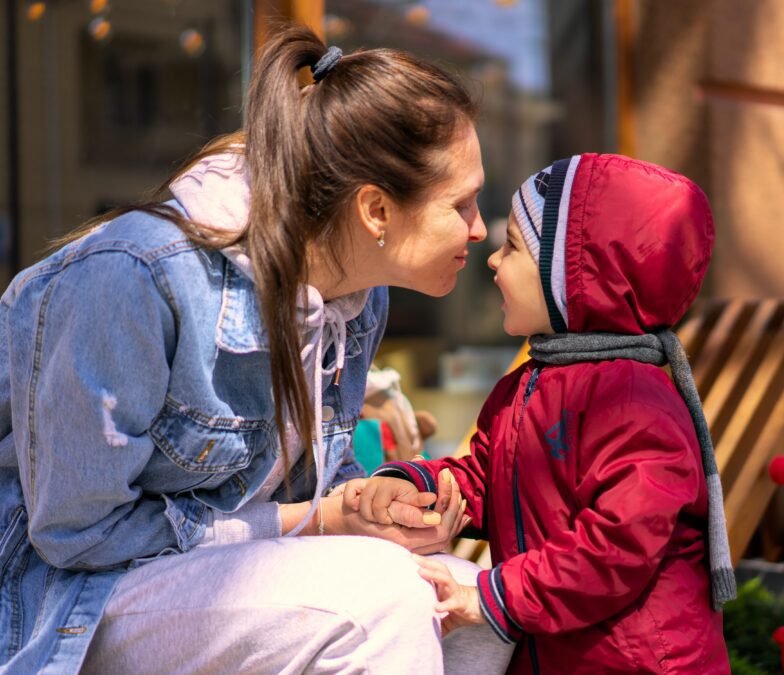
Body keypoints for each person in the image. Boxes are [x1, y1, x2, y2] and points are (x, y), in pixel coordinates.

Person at [0, 24, 514, 674]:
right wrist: (317, 519)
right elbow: (77, 534)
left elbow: (302, 492)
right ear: (376, 210)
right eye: (462, 203)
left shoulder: (355, 301)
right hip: (69, 596)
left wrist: (368, 506)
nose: (478, 228)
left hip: (204, 579)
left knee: (465, 598)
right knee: (383, 597)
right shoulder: (136, 276)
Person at [359, 154, 737, 673]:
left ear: (573, 276)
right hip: (562, 651)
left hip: (639, 662)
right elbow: (489, 480)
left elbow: (618, 545)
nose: (492, 259)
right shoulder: (528, 384)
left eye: (512, 246)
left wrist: (498, 596)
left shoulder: (632, 399)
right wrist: (417, 483)